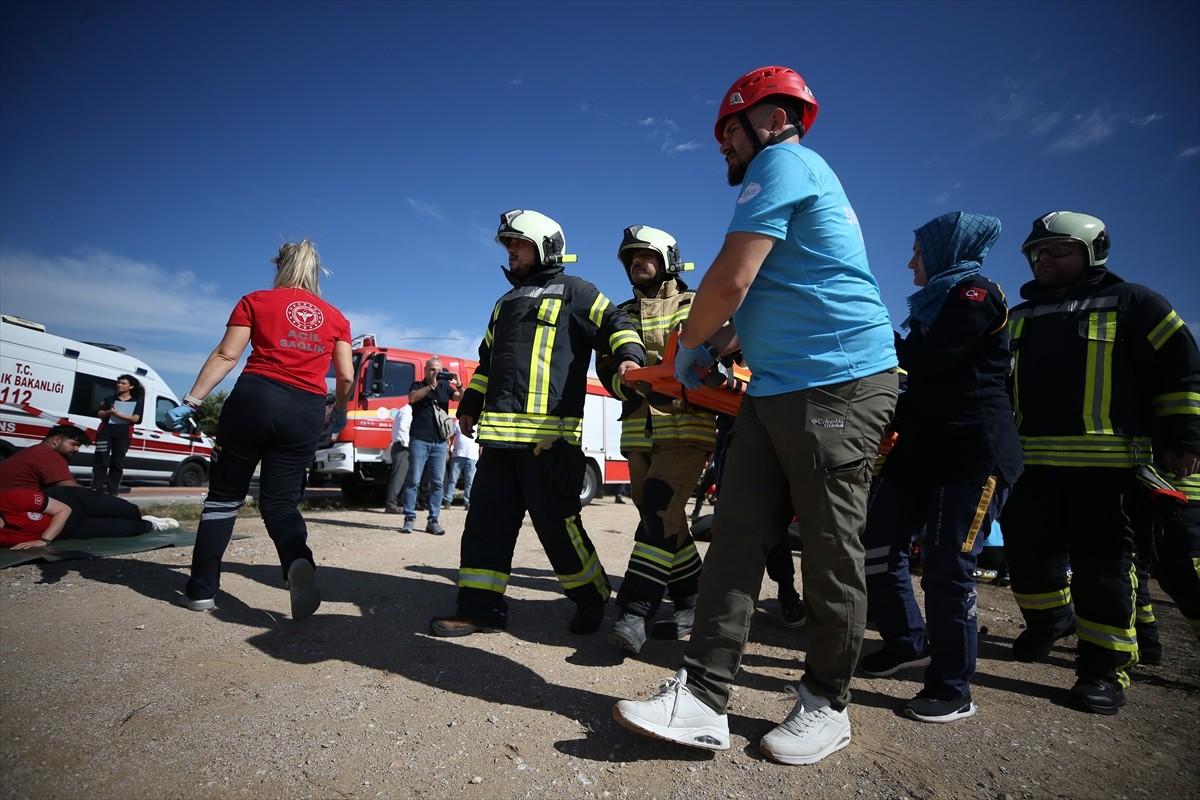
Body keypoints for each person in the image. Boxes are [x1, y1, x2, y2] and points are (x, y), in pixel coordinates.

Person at [614, 66, 898, 766]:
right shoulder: (788, 176)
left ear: (770, 120)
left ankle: (827, 705)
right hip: (776, 389)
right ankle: (704, 696)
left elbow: (730, 279)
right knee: (736, 540)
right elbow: (759, 297)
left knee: (831, 551)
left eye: (727, 131)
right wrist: (716, 345)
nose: (722, 146)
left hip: (841, 384)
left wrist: (683, 351)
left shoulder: (784, 161)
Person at [1001, 211, 1200, 715]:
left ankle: (1104, 670)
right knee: (1028, 563)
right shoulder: (1018, 318)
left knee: (1104, 573)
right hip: (1031, 472)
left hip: (1108, 474)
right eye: (1037, 253)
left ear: (1094, 252)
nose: (1044, 259)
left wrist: (1185, 436)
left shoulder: (1136, 303)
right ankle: (1049, 623)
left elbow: (1181, 371)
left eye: (1058, 250)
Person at [429, 209, 645, 637]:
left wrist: (628, 356)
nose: (510, 252)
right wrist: (470, 403)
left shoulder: (576, 292)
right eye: (507, 245)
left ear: (545, 247)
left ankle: (592, 597)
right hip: (499, 445)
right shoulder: (504, 303)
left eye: (518, 244)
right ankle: (478, 608)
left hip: (549, 444)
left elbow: (616, 323)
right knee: (484, 528)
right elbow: (487, 363)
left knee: (559, 531)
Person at [858, 212, 1022, 723]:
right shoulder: (931, 304)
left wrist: (869, 327)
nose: (910, 262)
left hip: (972, 454)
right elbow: (917, 381)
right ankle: (908, 643)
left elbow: (928, 362)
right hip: (922, 449)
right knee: (878, 544)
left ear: (944, 251)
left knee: (948, 565)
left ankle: (952, 688)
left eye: (917, 252)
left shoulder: (976, 293)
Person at [167, 239, 354, 620]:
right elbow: (346, 375)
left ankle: (202, 592)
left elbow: (226, 355)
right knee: (281, 503)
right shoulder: (336, 318)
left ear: (279, 267)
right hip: (305, 409)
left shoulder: (255, 300)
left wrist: (192, 400)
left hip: (256, 398)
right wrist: (339, 412)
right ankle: (297, 562)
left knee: (223, 499)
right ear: (317, 273)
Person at [597, 225, 717, 655]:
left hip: (688, 429)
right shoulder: (621, 313)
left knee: (660, 508)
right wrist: (627, 382)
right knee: (661, 518)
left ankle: (634, 611)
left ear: (668, 259)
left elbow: (724, 352)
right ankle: (693, 601)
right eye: (630, 257)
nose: (636, 262)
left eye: (645, 255)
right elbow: (608, 368)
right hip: (639, 433)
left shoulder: (698, 303)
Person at [0, 425, 175, 537]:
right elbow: (71, 489)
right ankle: (143, 521)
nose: (76, 450)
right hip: (38, 513)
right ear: (56, 440)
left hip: (37, 513)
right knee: (120, 511)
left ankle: (145, 523)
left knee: (106, 525)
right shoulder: (45, 455)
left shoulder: (32, 453)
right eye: (74, 444)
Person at [398, 357, 461, 535]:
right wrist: (430, 386)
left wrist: (459, 384)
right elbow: (412, 398)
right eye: (432, 369)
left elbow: (460, 398)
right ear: (425, 371)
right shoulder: (417, 385)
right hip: (419, 439)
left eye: (439, 370)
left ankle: (433, 520)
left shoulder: (445, 388)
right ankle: (409, 518)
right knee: (414, 480)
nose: (436, 373)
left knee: (437, 483)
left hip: (440, 442)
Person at [91, 373, 145, 495]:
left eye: (123, 383)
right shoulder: (109, 399)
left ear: (131, 386)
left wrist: (118, 414)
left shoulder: (136, 402)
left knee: (117, 462)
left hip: (123, 435)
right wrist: (109, 412)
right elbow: (100, 414)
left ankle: (112, 490)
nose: (119, 385)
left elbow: (135, 419)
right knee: (101, 459)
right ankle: (96, 488)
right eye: (118, 383)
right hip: (105, 433)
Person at [0, 489, 72, 548]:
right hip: (68, 535)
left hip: (73, 507)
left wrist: (44, 540)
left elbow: (64, 510)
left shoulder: (11, 499)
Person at [443, 417, 478, 510]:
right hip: (457, 455)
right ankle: (448, 500)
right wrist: (447, 450)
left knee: (469, 481)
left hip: (473, 457)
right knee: (452, 480)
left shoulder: (478, 425)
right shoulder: (458, 423)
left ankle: (468, 502)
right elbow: (451, 437)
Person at [385, 404, 412, 514]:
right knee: (398, 477)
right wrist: (407, 444)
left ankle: (396, 502)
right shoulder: (407, 411)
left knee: (401, 476)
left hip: (401, 445)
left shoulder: (404, 410)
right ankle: (391, 504)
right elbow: (403, 428)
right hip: (402, 446)